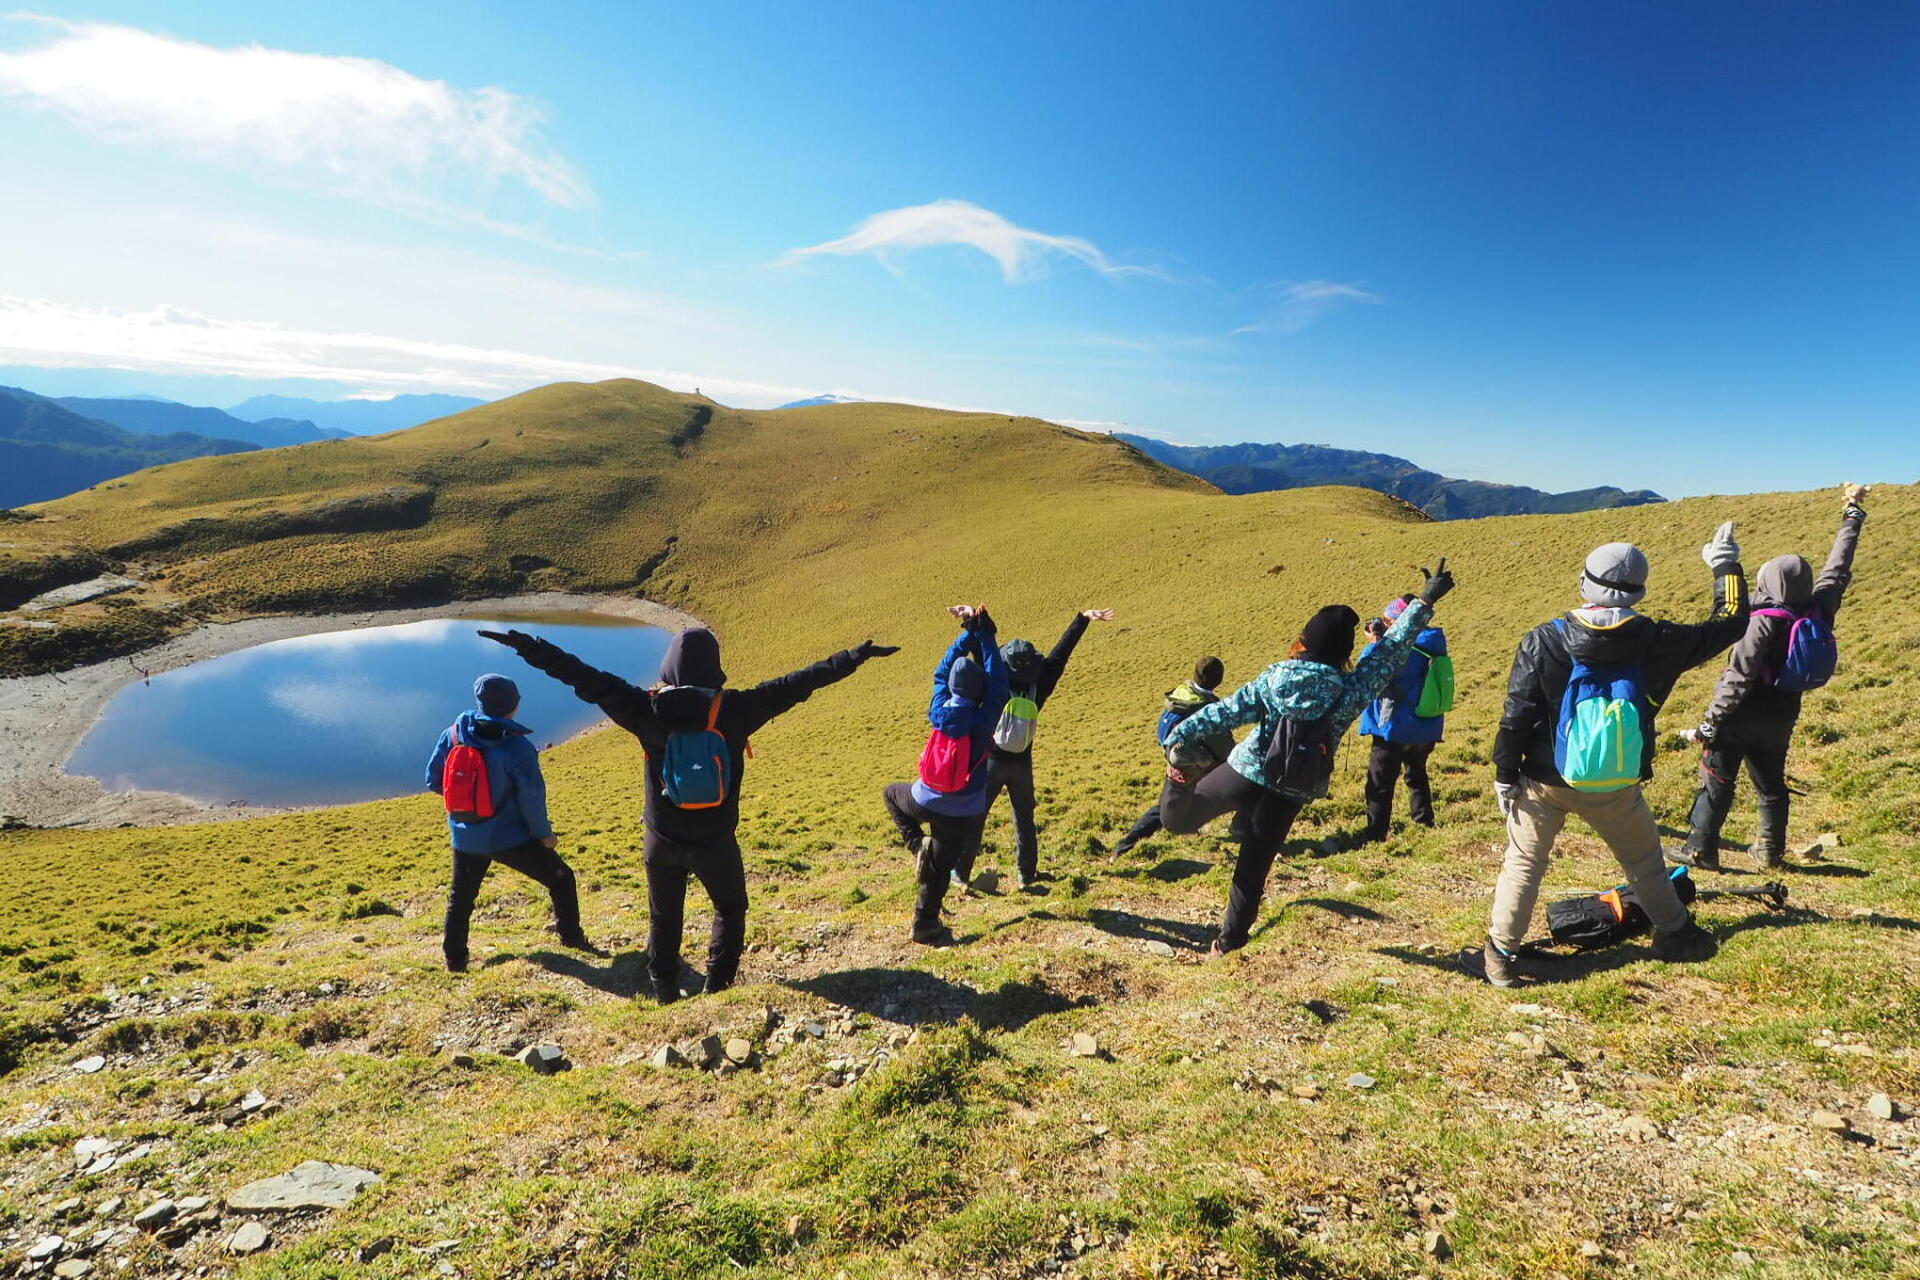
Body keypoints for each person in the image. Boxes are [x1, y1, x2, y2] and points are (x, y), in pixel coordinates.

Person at [480, 625, 898, 1003]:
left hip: (660, 840)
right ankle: (718, 985)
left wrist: (530, 648)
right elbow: (800, 683)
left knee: (665, 915)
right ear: (714, 666)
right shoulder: (736, 709)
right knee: (730, 909)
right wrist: (854, 657)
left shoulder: (643, 709)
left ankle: (664, 987)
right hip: (715, 840)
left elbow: (584, 678)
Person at [1475, 522, 1749, 988]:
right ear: (1639, 592)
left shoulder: (1543, 639)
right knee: (1644, 862)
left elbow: (1516, 715)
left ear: (1584, 583)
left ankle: (1501, 957)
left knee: (1523, 864)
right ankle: (1677, 935)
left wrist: (1506, 774)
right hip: (1618, 780)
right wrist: (1725, 564)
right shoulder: (1661, 640)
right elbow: (1732, 620)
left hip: (1546, 779)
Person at [1160, 562, 1456, 955]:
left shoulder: (1275, 679)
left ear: (1303, 642)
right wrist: (1424, 601)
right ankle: (1227, 944)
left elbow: (1227, 711)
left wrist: (1179, 736)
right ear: (1342, 653)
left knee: (1177, 819)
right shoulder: (1350, 689)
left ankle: (1177, 784)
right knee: (1253, 868)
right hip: (1294, 787)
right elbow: (1390, 651)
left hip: (1246, 770)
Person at [1674, 485, 1869, 871]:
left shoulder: (1760, 622)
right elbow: (1838, 566)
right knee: (1771, 784)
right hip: (1782, 711)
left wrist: (1710, 722)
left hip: (1741, 712)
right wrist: (1853, 514)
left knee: (1717, 777)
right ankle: (1769, 851)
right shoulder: (1820, 607)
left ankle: (1700, 849)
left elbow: (1738, 677)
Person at [426, 674, 592, 973]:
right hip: (508, 837)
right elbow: (531, 798)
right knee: (561, 878)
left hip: (465, 836)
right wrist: (545, 836)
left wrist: (469, 804)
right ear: (514, 705)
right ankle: (572, 938)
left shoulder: (452, 734)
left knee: (460, 898)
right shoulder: (517, 747)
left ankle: (455, 960)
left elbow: (434, 780)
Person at [956, 607, 1115, 889]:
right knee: (1025, 819)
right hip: (1021, 762)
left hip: (990, 760)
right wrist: (1082, 620)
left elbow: (982, 653)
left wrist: (972, 621)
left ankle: (961, 873)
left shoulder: (995, 683)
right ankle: (1026, 875)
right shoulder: (1041, 685)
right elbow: (1060, 655)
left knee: (976, 816)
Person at [883, 605, 1011, 945]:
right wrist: (985, 634)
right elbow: (998, 683)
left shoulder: (938, 708)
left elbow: (941, 673)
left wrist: (966, 633)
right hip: (965, 808)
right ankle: (924, 924)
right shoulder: (984, 720)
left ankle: (916, 843)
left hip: (925, 797)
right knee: (940, 867)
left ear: (951, 685)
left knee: (891, 794)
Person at [1111, 656, 1232, 856]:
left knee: (1171, 806)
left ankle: (1125, 845)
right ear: (1219, 680)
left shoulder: (1182, 694)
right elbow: (1224, 748)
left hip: (1176, 760)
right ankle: (1126, 846)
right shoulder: (1206, 708)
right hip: (1194, 766)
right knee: (1238, 788)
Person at [1357, 596, 1448, 844]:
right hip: (1426, 723)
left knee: (1381, 781)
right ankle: (1424, 821)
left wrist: (1376, 643)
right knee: (1416, 773)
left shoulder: (1397, 648)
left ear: (1400, 621)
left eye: (1388, 620)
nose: (1384, 624)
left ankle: (1376, 835)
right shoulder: (1433, 642)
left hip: (1395, 724)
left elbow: (1370, 672)